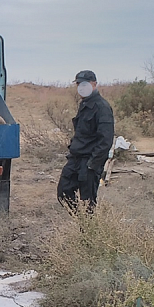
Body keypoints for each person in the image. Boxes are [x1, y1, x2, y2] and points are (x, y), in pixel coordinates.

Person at [57, 70, 114, 211]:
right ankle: (80, 220)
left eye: (84, 84)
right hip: (75, 159)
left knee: (88, 202)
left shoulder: (102, 107)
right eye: (78, 84)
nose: (81, 87)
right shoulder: (84, 104)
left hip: (89, 161)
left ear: (94, 84)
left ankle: (88, 224)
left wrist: (93, 164)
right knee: (63, 193)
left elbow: (106, 140)